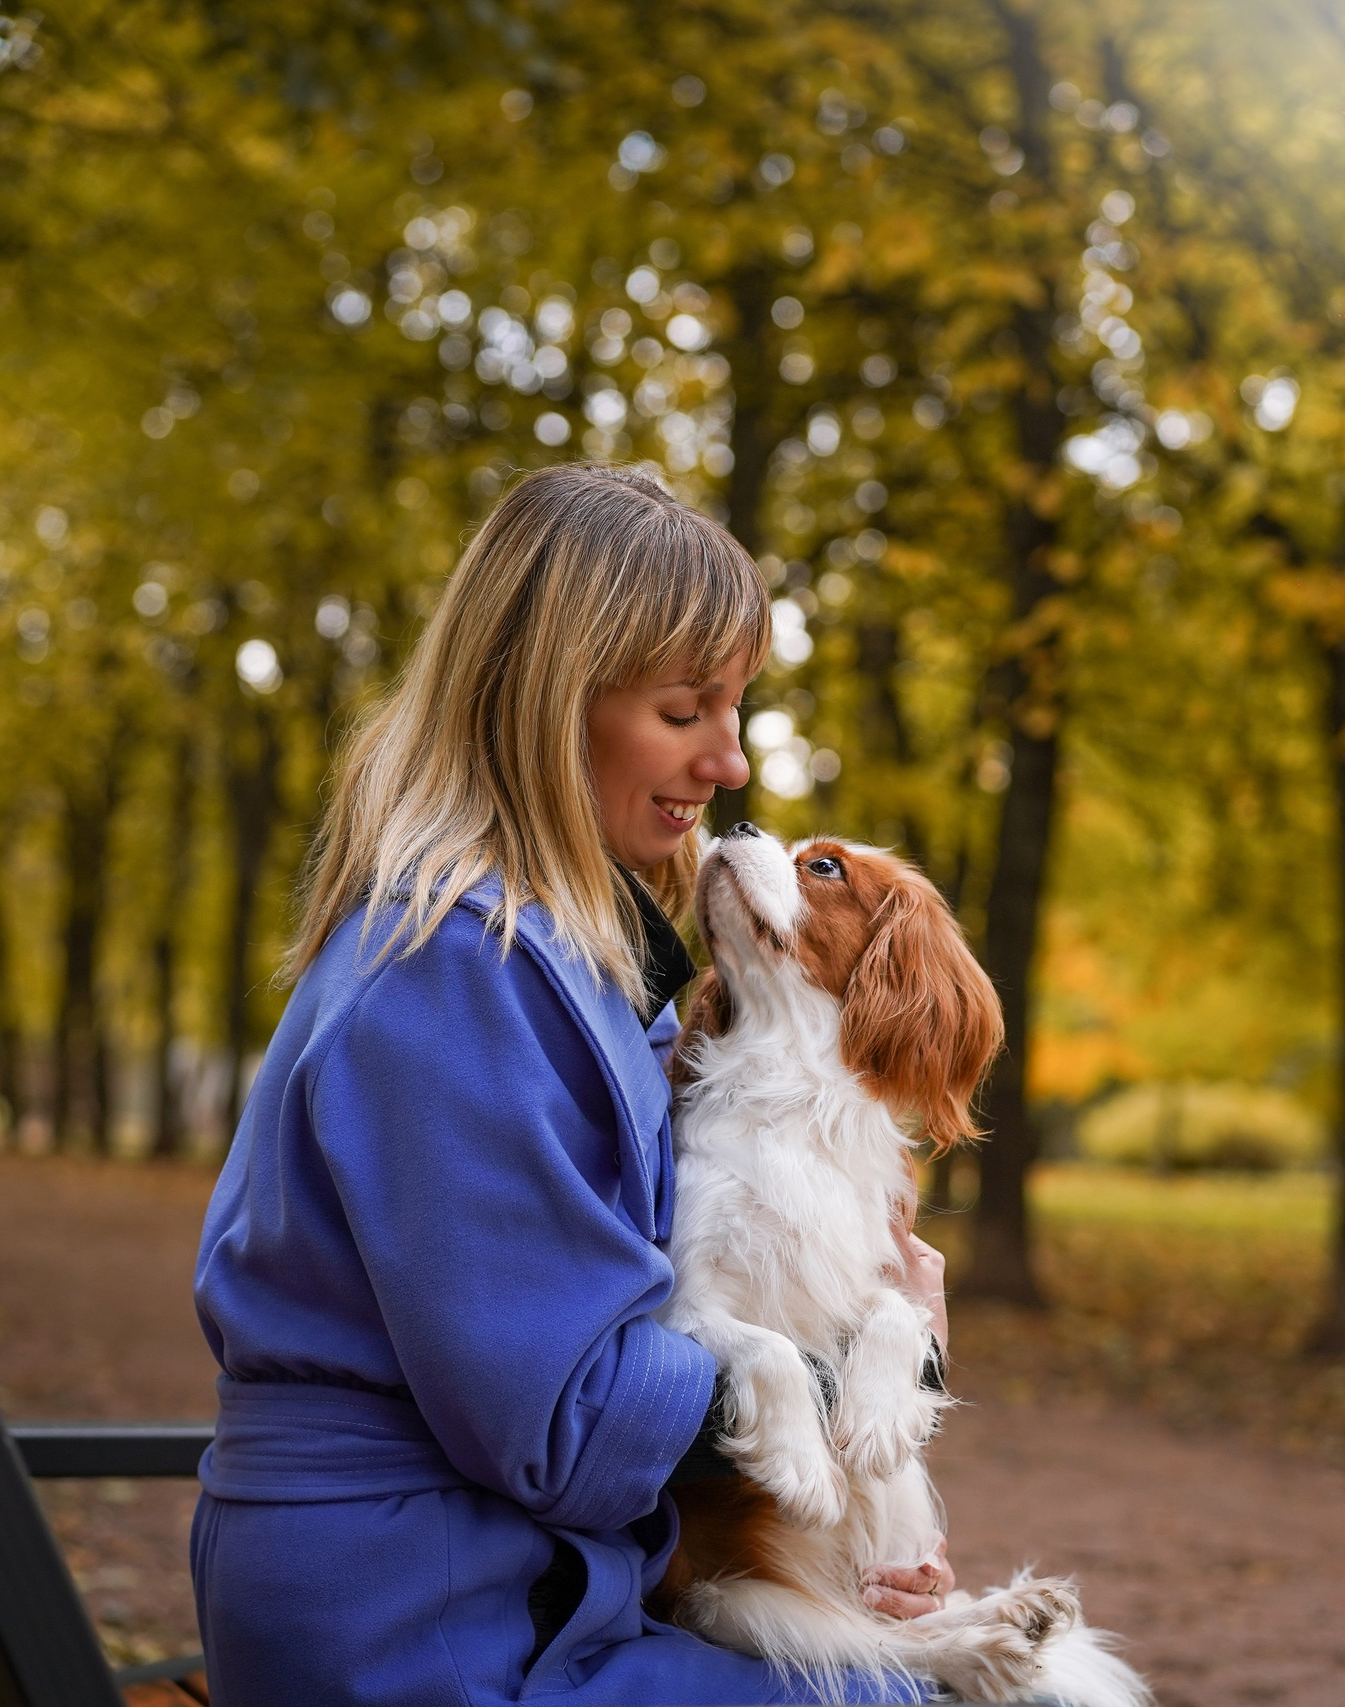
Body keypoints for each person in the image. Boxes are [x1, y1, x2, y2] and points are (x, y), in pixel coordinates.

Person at [191, 464, 955, 1706]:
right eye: (683, 710)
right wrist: (865, 1382)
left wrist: (848, 1515)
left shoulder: (527, 959)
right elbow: (568, 1426)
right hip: (430, 1634)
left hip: (495, 1589)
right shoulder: (450, 972)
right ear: (549, 705)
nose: (730, 762)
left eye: (736, 707)